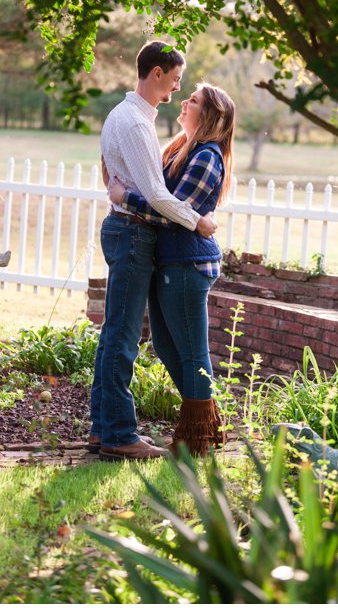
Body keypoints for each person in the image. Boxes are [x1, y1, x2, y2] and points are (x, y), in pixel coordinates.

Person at [91, 41, 218, 462]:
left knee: (115, 334)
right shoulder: (135, 123)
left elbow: (128, 184)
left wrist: (121, 193)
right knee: (123, 337)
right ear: (158, 72)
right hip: (133, 233)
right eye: (175, 79)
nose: (176, 90)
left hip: (129, 230)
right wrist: (197, 221)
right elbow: (159, 197)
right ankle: (118, 434)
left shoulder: (128, 117)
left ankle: (102, 428)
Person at [108, 82, 235, 455]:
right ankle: (205, 422)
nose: (184, 101)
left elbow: (173, 213)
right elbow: (168, 203)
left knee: (193, 352)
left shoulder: (207, 156)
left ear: (211, 115)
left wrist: (124, 198)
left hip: (188, 265)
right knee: (165, 346)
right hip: (171, 262)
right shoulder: (182, 150)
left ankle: (196, 440)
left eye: (193, 100)